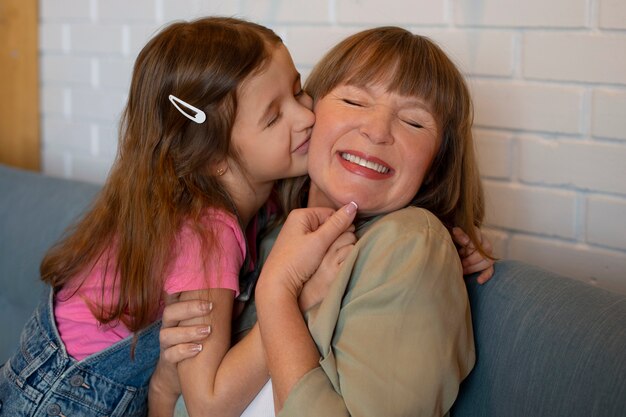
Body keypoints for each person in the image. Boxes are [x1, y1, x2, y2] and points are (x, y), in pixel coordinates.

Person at [153, 26, 493, 416]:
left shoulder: (410, 244)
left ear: (436, 165)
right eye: (354, 100)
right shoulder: (265, 230)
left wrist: (280, 294)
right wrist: (166, 381)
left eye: (414, 122)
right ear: (312, 115)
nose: (377, 130)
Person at [0, 17, 316, 417]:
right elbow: (210, 403)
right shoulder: (209, 233)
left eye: (298, 91)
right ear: (213, 157)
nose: (305, 116)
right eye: (273, 117)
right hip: (66, 400)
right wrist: (290, 300)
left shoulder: (254, 196)